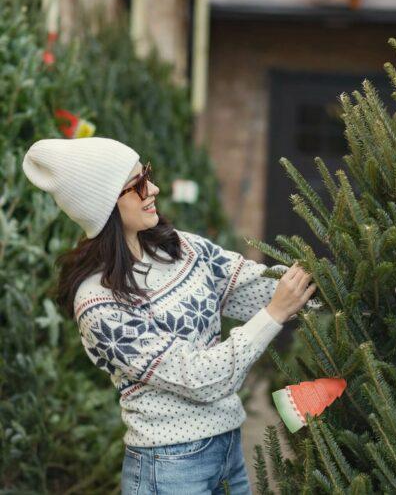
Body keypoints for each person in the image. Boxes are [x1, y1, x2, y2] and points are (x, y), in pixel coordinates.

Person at [22, 137, 318, 494]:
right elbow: (198, 378)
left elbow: (261, 287)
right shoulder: (97, 303)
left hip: (228, 450)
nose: (154, 188)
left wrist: (341, 285)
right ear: (104, 205)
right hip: (170, 468)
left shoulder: (182, 248)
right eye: (137, 184)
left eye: (146, 174)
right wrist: (274, 315)